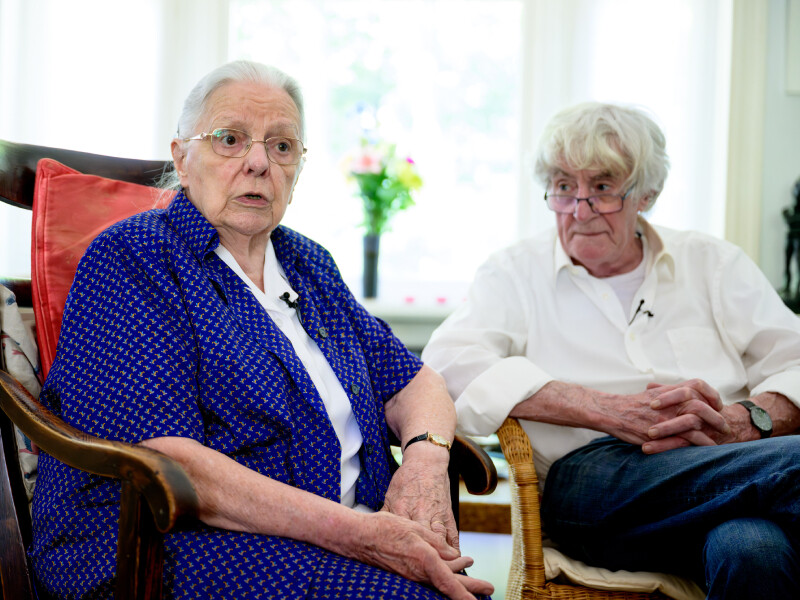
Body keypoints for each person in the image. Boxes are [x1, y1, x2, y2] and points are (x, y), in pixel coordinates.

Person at [29, 60, 493, 600]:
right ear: (182, 157)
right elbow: (172, 461)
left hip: (355, 529)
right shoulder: (135, 257)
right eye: (229, 139)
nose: (257, 163)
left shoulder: (307, 261)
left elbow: (414, 381)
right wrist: (362, 536)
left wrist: (425, 459)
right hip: (161, 543)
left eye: (281, 146)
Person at [423, 102, 800, 599]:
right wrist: (606, 411)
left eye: (601, 188)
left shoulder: (713, 264)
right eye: (563, 188)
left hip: (725, 486)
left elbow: (794, 360)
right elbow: (446, 364)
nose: (580, 209)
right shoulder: (515, 273)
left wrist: (742, 423)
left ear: (647, 193)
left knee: (755, 552)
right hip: (594, 491)